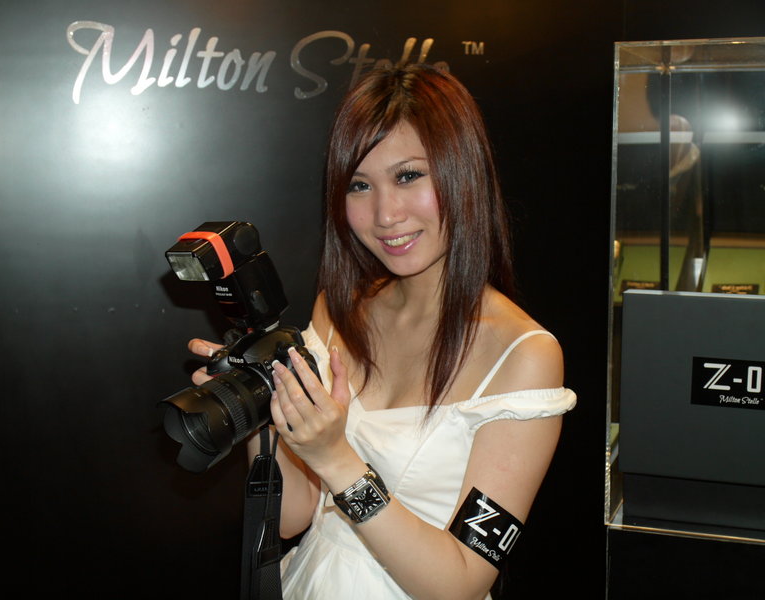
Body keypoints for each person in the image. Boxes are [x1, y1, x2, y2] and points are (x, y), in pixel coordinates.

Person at [189, 63, 576, 600]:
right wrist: (258, 401)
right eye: (360, 185)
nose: (385, 214)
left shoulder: (523, 354)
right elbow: (292, 516)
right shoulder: (339, 309)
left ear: (462, 173)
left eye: (409, 176)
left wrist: (337, 459)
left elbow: (463, 582)